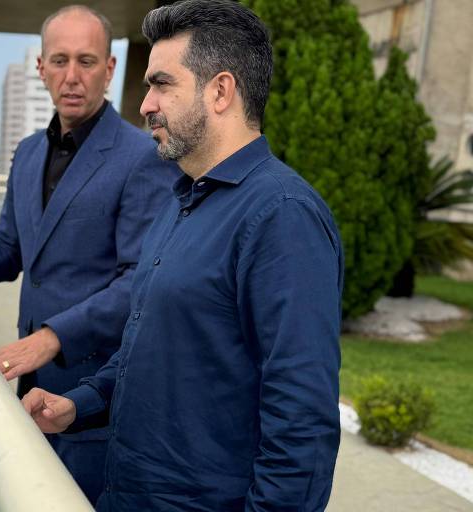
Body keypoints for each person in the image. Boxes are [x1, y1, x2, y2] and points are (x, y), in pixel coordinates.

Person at [22, 1, 344, 510]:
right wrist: (76, 405)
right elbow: (148, 348)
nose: (146, 104)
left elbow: (301, 420)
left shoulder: (282, 216)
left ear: (220, 91)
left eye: (162, 84)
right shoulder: (182, 201)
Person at [0, 5, 179, 504]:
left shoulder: (141, 157)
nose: (72, 76)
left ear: (109, 70)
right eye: (59, 60)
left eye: (87, 61)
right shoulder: (26, 153)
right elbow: (8, 249)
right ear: (40, 68)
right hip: (32, 388)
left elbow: (140, 280)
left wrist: (52, 337)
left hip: (100, 391)